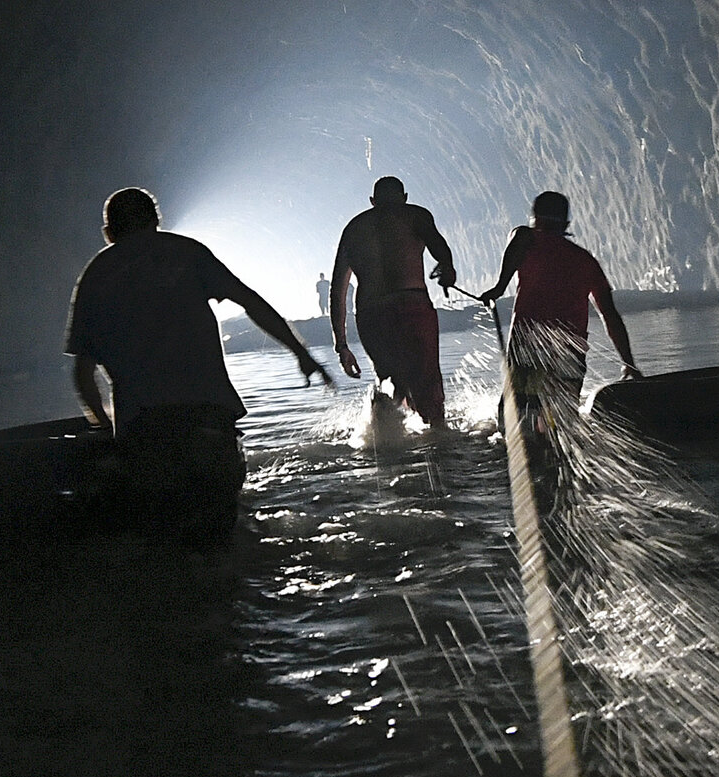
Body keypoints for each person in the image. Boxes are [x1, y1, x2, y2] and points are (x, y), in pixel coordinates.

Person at [65, 187, 330, 539]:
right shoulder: (188, 253)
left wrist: (105, 429)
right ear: (157, 221)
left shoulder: (97, 274)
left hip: (146, 433)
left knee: (168, 545)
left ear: (109, 233)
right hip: (210, 422)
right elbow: (251, 303)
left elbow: (83, 374)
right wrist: (302, 355)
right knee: (222, 535)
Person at [474, 189, 643, 415]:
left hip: (531, 344)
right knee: (562, 418)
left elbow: (518, 241)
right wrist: (628, 362)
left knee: (520, 414)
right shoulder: (586, 261)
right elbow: (610, 315)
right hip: (570, 350)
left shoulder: (527, 237)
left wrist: (499, 287)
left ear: (535, 219)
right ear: (566, 223)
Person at [329, 175, 458, 427]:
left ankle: (384, 437)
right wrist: (447, 268)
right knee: (427, 382)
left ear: (372, 201)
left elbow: (337, 290)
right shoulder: (415, 214)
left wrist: (341, 345)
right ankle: (439, 440)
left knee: (390, 381)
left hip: (371, 315)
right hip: (412, 306)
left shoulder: (354, 228)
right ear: (405, 198)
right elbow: (439, 247)